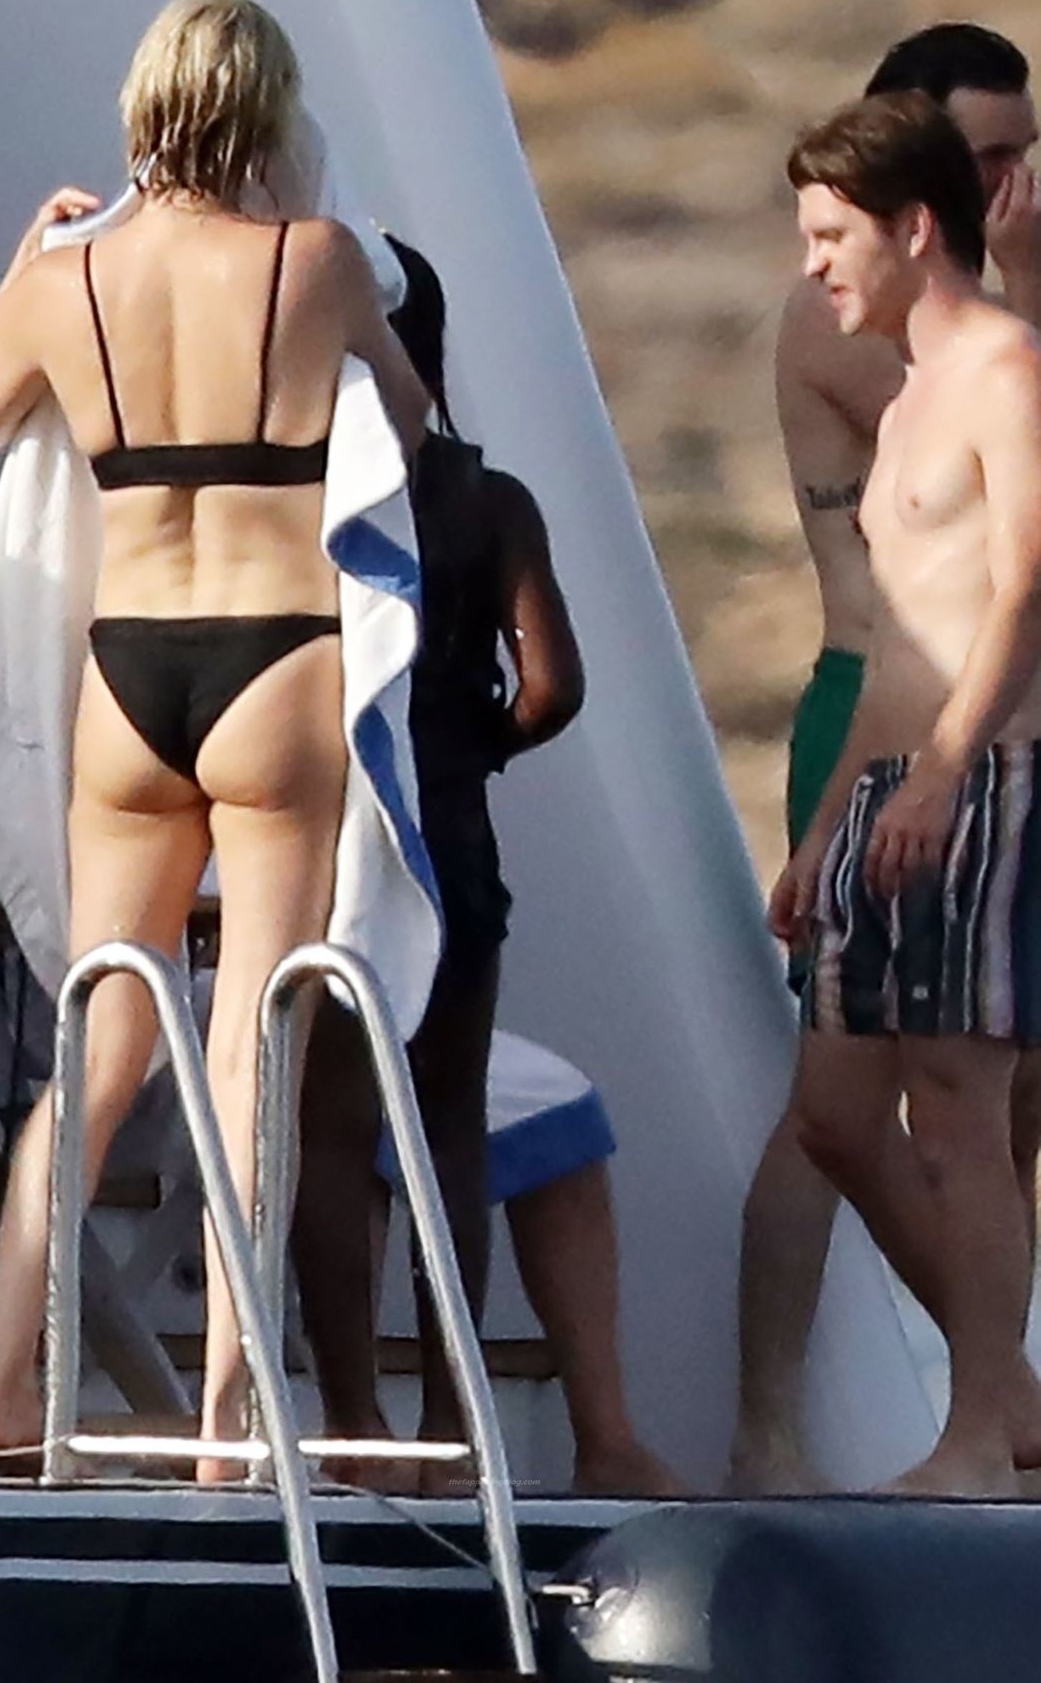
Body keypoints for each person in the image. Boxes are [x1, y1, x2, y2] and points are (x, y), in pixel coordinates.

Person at [0, 0, 433, 1474]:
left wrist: (27, 263)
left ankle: (3, 1386)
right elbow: (411, 420)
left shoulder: (67, 283)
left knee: (98, 1037)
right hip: (276, 657)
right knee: (251, 1047)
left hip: (129, 667)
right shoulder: (315, 261)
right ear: (269, 109)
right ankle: (228, 1413)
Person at [292, 238, 676, 1498]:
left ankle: (356, 1425)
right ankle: (456, 1426)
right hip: (457, 839)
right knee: (451, 1125)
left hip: (344, 838)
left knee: (334, 1134)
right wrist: (475, 748)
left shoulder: (311, 495)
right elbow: (554, 686)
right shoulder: (490, 498)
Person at [732, 24, 1041, 1492]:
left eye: (832, 238)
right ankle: (999, 1408)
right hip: (889, 782)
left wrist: (944, 770)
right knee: (842, 1113)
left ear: (914, 228)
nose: (814, 268)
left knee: (964, 1107)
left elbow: (1027, 589)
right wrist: (826, 832)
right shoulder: (908, 389)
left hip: (981, 783)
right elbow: (890, 630)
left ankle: (980, 1431)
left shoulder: (1006, 372)